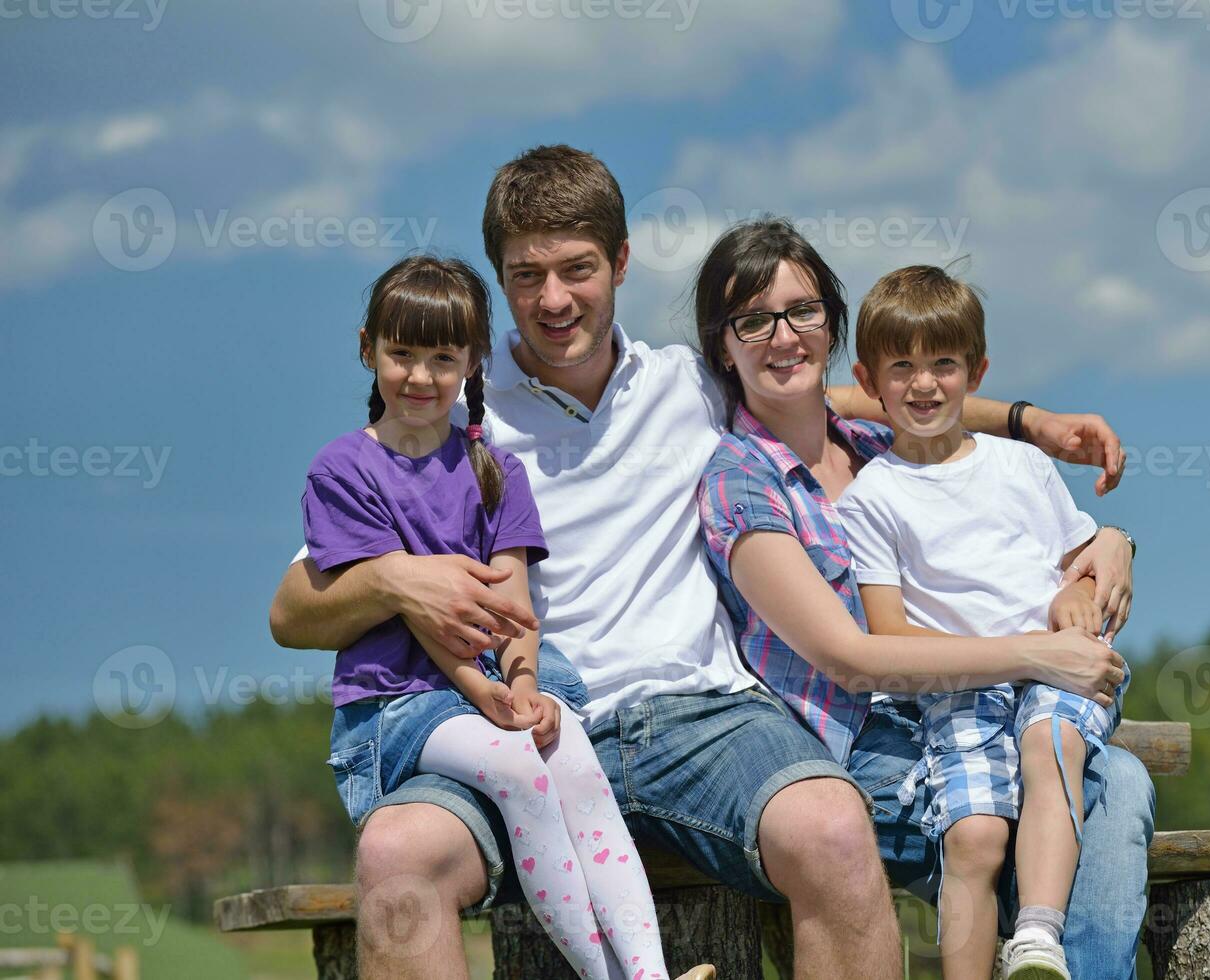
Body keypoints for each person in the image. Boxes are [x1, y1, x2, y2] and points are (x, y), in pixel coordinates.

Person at [270, 145, 1141, 980]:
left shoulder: (686, 384)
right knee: (395, 855)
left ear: (619, 261)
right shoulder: (453, 401)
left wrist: (1028, 424)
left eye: (576, 268)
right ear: (500, 281)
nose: (554, 298)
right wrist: (390, 580)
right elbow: (292, 612)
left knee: (832, 829)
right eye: (528, 275)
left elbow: (832, 390)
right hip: (523, 720)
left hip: (705, 716)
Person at [694, 220, 1151, 979]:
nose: (782, 336)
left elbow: (936, 404)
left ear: (831, 329)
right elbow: (852, 659)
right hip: (863, 752)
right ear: (723, 344)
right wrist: (1040, 653)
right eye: (753, 320)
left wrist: (1109, 540)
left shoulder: (877, 446)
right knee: (1109, 788)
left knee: (1107, 780)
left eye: (803, 312)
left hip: (976, 712)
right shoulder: (741, 479)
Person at [301, 254, 712, 980]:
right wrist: (486, 692)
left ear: (472, 361)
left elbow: (515, 603)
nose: (420, 377)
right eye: (401, 354)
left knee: (575, 759)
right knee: (521, 766)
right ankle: (604, 975)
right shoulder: (344, 471)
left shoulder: (495, 469)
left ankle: (649, 973)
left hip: (494, 676)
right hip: (400, 702)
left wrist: (522, 685)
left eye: (441, 357)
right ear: (367, 348)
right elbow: (424, 611)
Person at [831, 264, 1131, 980]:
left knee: (1049, 743)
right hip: (957, 689)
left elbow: (1076, 573)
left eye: (943, 364)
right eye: (900, 367)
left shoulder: (1020, 467)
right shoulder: (872, 499)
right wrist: (1029, 652)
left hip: (1059, 679)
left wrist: (1077, 601)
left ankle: (1035, 936)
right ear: (868, 382)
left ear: (976, 372)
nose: (924, 384)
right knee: (970, 838)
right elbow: (886, 634)